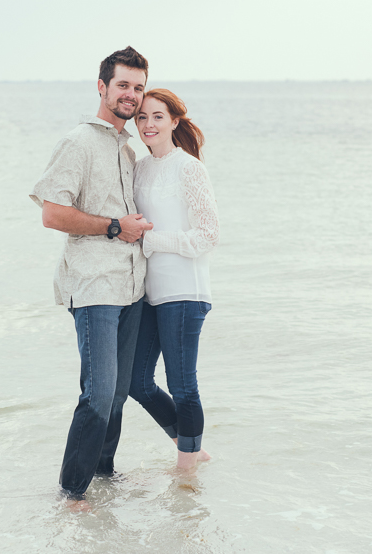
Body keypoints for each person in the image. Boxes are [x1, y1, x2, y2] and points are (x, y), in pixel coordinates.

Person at [29, 46, 153, 509]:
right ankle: (71, 491)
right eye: (123, 85)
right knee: (98, 393)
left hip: (131, 287)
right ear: (102, 87)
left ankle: (103, 476)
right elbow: (53, 214)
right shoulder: (78, 142)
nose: (131, 95)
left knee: (118, 394)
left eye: (138, 87)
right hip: (94, 286)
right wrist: (115, 226)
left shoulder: (127, 148)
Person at [128, 89, 219, 470]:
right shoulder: (140, 167)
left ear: (174, 121)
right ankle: (191, 449)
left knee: (182, 385)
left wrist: (151, 240)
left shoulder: (190, 168)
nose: (149, 124)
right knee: (136, 381)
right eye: (143, 117)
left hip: (185, 290)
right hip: (149, 293)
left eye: (158, 117)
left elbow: (208, 235)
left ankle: (185, 472)